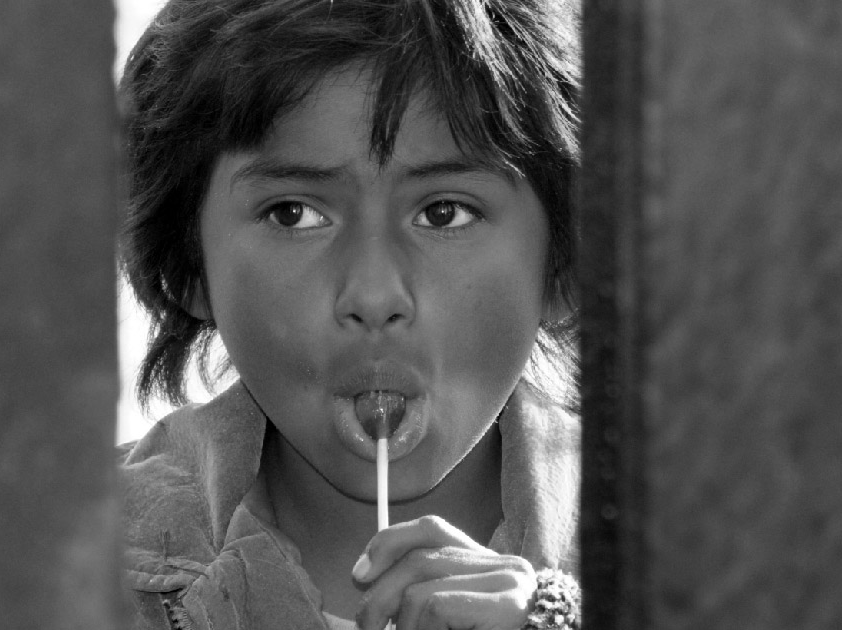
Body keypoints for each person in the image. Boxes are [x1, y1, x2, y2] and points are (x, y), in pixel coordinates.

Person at [117, 1, 581, 628]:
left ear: (564, 265)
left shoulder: (707, 554)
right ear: (189, 265)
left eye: (444, 212)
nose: (373, 295)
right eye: (293, 214)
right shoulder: (54, 571)